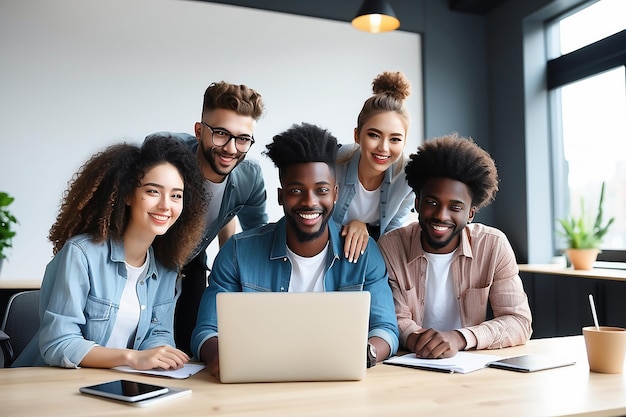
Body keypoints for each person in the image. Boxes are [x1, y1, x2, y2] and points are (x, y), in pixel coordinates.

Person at [191, 122, 399, 378]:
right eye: (296, 191)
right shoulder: (237, 252)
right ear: (281, 196)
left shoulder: (364, 253)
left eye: (321, 190)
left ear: (335, 193)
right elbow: (206, 330)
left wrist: (365, 353)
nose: (310, 202)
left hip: (339, 387)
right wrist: (220, 355)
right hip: (257, 383)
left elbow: (386, 329)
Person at [13, 136, 207, 369]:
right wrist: (131, 358)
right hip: (49, 387)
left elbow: (158, 334)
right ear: (127, 195)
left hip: (112, 387)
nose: (166, 205)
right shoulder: (81, 254)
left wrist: (162, 354)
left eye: (176, 195)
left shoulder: (167, 267)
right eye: (153, 191)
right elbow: (59, 343)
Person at [377, 133, 532, 359]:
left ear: (470, 213)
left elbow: (518, 322)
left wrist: (460, 338)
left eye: (455, 207)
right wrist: (418, 340)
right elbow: (393, 318)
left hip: (468, 368)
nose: (441, 215)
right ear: (417, 203)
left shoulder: (493, 245)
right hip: (409, 364)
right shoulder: (391, 246)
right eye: (431, 202)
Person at [148, 81, 268, 355]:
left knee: (188, 349)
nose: (230, 148)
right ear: (199, 131)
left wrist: (232, 276)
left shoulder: (249, 177)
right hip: (147, 259)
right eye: (221, 134)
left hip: (192, 263)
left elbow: (257, 238)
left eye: (243, 139)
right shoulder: (165, 153)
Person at [334, 71, 415, 263]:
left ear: (404, 142)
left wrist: (365, 230)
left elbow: (392, 233)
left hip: (372, 253)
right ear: (357, 135)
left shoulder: (409, 177)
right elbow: (318, 221)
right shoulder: (333, 163)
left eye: (395, 139)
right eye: (374, 135)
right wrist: (354, 226)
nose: (383, 148)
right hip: (332, 247)